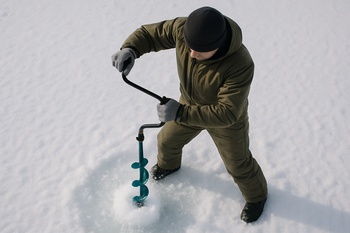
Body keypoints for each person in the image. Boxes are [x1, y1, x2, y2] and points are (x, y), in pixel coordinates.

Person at [112, 6, 268, 223]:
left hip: (225, 121)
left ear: (218, 46)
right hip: (187, 106)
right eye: (189, 47)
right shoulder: (183, 28)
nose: (192, 54)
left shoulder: (240, 64)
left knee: (237, 164)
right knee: (166, 141)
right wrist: (131, 48)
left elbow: (228, 112)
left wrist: (180, 112)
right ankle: (169, 165)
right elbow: (151, 34)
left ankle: (257, 196)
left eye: (200, 52)